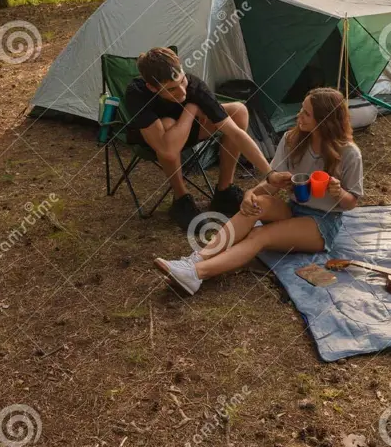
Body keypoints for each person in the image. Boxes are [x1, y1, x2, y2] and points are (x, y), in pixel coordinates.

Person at [154, 87, 363, 296]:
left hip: (323, 223)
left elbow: (351, 203)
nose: (300, 115)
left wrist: (338, 192)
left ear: (325, 120)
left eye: (307, 113)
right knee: (258, 203)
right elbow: (272, 183)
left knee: (260, 234)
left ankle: (196, 274)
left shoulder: (348, 153)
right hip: (294, 208)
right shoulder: (292, 139)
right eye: (301, 109)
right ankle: (196, 259)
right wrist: (249, 194)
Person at [125, 47, 272, 229]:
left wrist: (270, 173)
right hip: (156, 141)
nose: (182, 92)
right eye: (171, 89)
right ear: (152, 87)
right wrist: (191, 109)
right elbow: (167, 150)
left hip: (188, 131)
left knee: (238, 111)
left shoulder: (194, 86)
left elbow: (235, 133)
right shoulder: (137, 93)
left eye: (182, 80)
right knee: (168, 123)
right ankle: (181, 199)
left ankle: (224, 191)